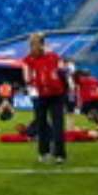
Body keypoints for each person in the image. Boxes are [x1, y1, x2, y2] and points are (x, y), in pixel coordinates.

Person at [21, 32, 68, 164]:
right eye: (31, 45)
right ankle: (44, 152)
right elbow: (27, 78)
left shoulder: (53, 57)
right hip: (40, 95)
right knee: (41, 124)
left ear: (42, 44)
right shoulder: (28, 60)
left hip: (56, 94)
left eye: (35, 44)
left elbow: (62, 73)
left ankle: (59, 154)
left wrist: (65, 91)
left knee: (58, 124)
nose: (33, 47)